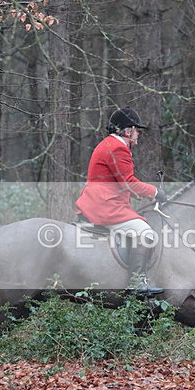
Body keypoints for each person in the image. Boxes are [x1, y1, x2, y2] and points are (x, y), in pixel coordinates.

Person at [75, 107, 167, 296]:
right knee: (145, 233)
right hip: (105, 207)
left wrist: (138, 194)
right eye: (137, 131)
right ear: (127, 130)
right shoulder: (117, 148)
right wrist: (155, 192)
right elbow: (128, 182)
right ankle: (136, 283)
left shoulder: (108, 144)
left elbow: (118, 181)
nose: (138, 135)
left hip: (100, 201)